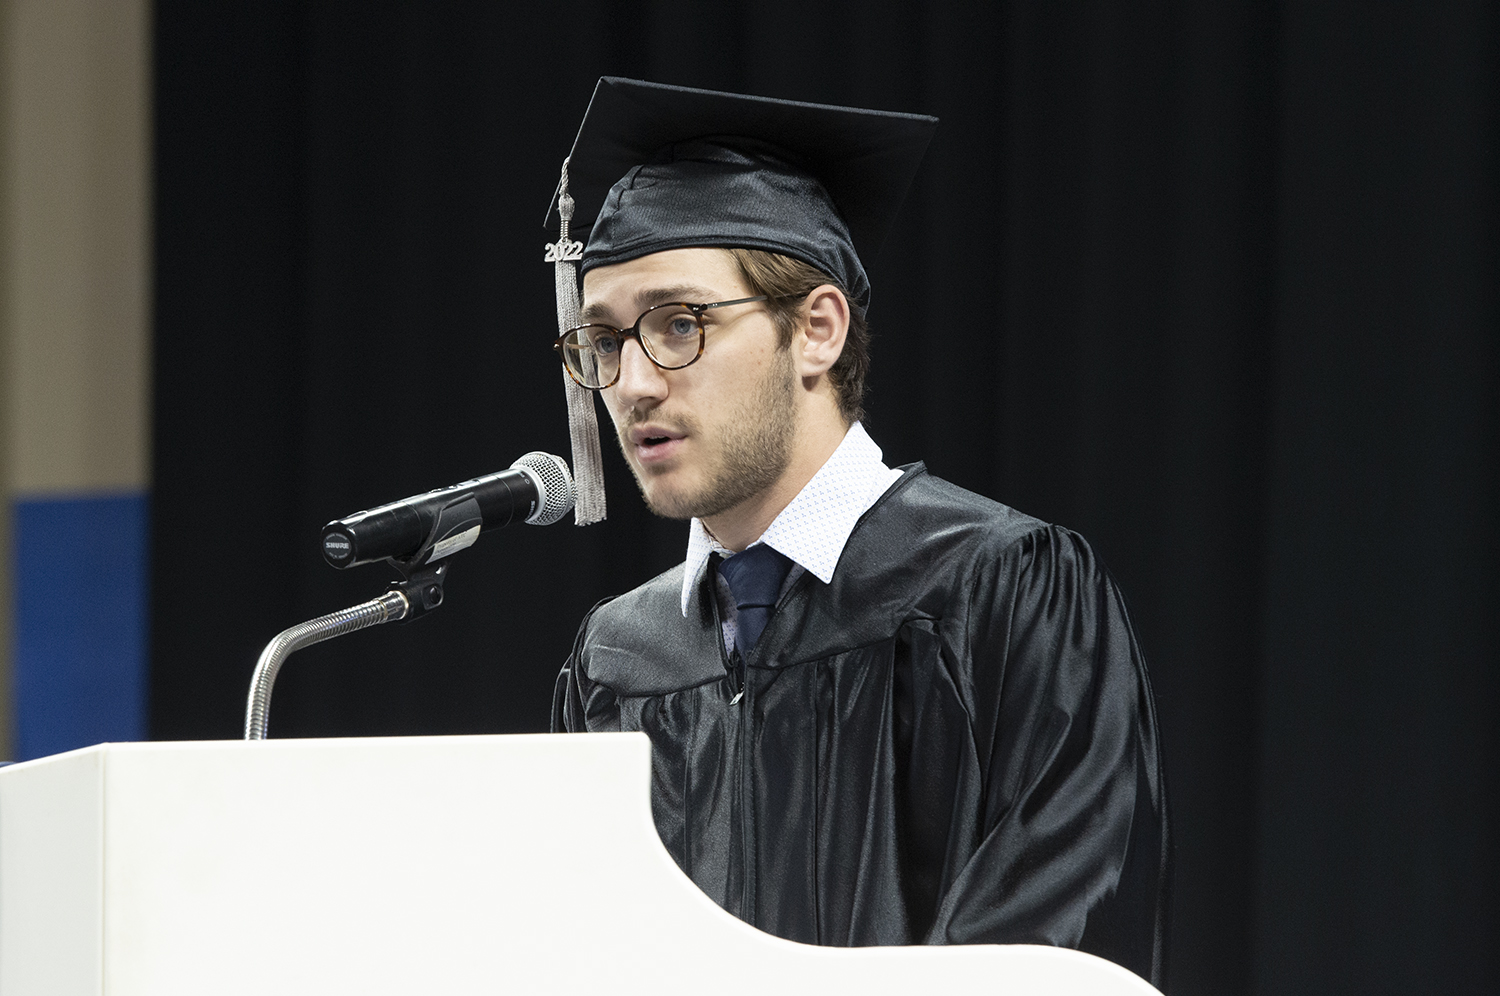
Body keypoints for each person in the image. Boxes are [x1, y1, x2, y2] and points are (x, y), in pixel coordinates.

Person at [548, 78, 1169, 987]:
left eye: (679, 324)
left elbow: (1050, 955)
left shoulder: (1003, 589)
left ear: (819, 329)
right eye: (602, 343)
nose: (633, 384)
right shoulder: (617, 661)